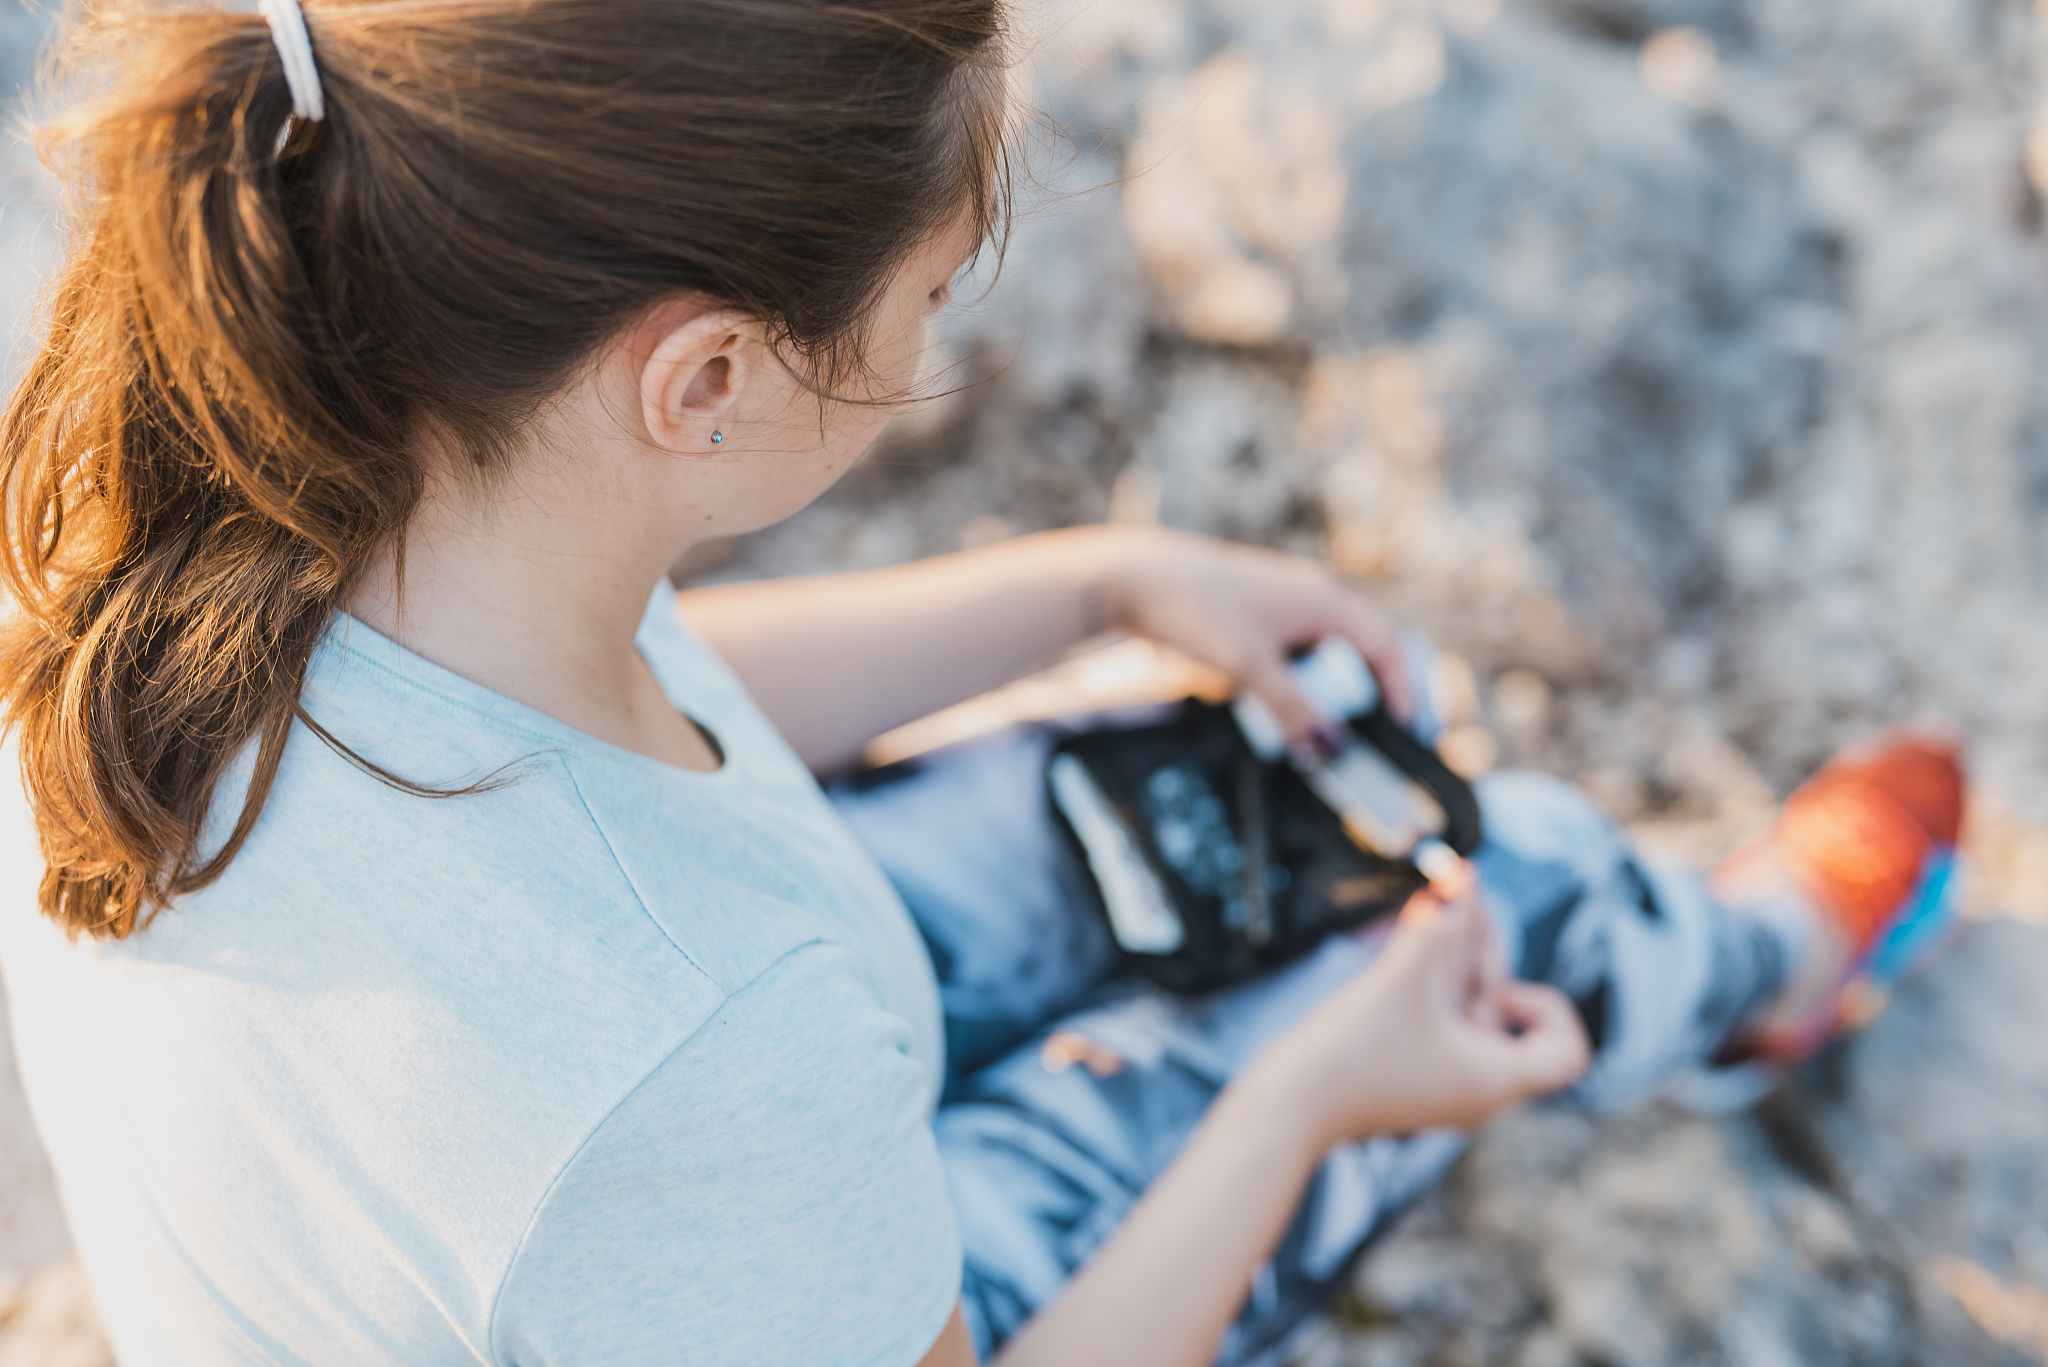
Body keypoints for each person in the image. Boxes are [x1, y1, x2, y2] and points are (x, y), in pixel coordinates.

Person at [0, 0, 1964, 1363]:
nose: (934, 339)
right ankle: (1751, 976)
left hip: (662, 1143)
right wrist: (1307, 1103)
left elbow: (639, 704)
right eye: (926, 301)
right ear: (701, 383)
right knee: (1492, 877)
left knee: (1265, 770)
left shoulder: (209, 530)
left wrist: (1089, 586)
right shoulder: (688, 1073)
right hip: (735, 1219)